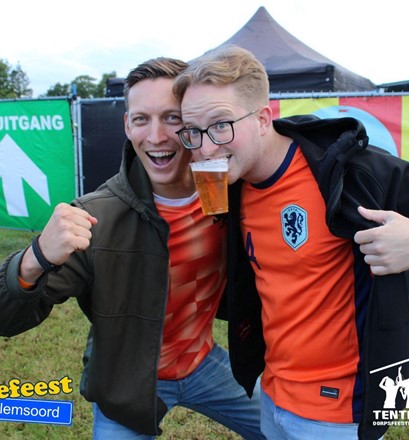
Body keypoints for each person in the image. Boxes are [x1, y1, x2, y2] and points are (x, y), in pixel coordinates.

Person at [172, 45, 409, 440]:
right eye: (193, 132)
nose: (205, 148)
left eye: (221, 125)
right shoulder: (233, 187)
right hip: (270, 397)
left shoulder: (349, 172)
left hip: (340, 416)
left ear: (262, 119)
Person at [0, 57, 265, 439]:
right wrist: (34, 258)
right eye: (142, 119)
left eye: (172, 118)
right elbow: (6, 319)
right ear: (127, 125)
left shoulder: (226, 191)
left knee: (284, 428)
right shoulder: (96, 217)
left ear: (193, 124)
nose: (156, 136)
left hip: (203, 363)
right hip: (127, 381)